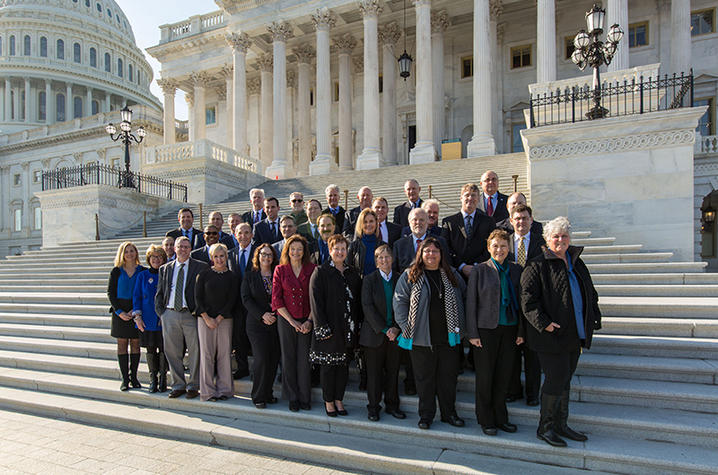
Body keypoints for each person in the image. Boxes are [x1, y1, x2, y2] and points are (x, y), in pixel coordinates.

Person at [521, 216, 602, 447]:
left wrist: (593, 315)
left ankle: (561, 425)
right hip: (550, 335)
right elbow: (527, 300)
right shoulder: (536, 264)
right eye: (555, 236)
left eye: (564, 236)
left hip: (575, 333)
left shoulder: (576, 262)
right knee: (556, 379)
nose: (560, 240)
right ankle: (545, 428)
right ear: (546, 239)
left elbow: (590, 292)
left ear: (569, 239)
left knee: (565, 380)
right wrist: (544, 323)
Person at [393, 237, 466, 430]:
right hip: (421, 338)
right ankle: (426, 416)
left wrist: (462, 327)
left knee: (448, 378)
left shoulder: (452, 275)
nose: (431, 255)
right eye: (427, 251)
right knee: (424, 379)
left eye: (435, 251)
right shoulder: (411, 274)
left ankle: (449, 414)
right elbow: (399, 302)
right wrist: (406, 326)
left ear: (441, 254)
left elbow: (464, 299)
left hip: (448, 337)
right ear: (421, 254)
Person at [466, 229, 524, 436]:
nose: (499, 249)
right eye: (495, 246)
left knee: (503, 376)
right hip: (485, 330)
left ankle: (502, 417)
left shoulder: (516, 270)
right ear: (489, 248)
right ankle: (486, 418)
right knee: (485, 376)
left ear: (509, 248)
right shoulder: (480, 270)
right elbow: (471, 302)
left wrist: (521, 330)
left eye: (503, 246)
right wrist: (472, 333)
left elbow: (523, 305)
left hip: (509, 328)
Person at [310, 234, 362, 417]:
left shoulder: (352, 272)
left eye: (343, 249)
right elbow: (316, 303)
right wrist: (322, 328)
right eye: (336, 248)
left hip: (348, 330)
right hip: (329, 330)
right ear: (330, 250)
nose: (340, 252)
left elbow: (357, 302)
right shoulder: (321, 271)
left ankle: (339, 399)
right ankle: (329, 402)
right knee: (329, 368)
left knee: (343, 367)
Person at [154, 236, 208, 399]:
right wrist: (161, 313)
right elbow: (160, 292)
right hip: (169, 313)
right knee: (172, 352)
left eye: (186, 246)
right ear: (174, 249)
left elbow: (204, 293)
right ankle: (178, 385)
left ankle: (193, 385)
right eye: (180, 246)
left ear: (190, 249)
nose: (183, 249)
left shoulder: (201, 267)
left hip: (190, 314)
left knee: (195, 351)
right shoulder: (165, 268)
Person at [360, 244, 406, 422]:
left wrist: (396, 327)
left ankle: (392, 405)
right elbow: (367, 306)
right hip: (375, 335)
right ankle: (373, 407)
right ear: (376, 261)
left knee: (393, 372)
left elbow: (404, 304)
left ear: (392, 259)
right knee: (374, 374)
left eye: (387, 257)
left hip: (395, 334)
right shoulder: (369, 279)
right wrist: (385, 329)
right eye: (380, 257)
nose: (384, 260)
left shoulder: (400, 278)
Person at [506, 204, 545, 406]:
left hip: (533, 304)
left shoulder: (541, 243)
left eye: (524, 218)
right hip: (511, 303)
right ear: (511, 221)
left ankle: (532, 393)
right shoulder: (504, 242)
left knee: (532, 354)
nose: (521, 222)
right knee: (512, 352)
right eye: (517, 218)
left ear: (531, 220)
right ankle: (513, 390)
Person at [272, 234, 316, 411]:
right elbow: (276, 300)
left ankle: (305, 397)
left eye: (299, 249)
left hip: (307, 320)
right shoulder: (280, 270)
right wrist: (291, 321)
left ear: (304, 251)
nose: (296, 252)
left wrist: (309, 321)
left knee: (304, 360)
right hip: (286, 321)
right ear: (287, 251)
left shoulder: (312, 269)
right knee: (288, 358)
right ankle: (293, 397)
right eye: (293, 249)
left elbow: (316, 299)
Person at [194, 243, 236, 402]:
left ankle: (225, 390)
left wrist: (218, 318)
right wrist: (207, 318)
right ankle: (208, 392)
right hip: (205, 320)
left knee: (224, 354)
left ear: (226, 256)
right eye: (216, 256)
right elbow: (198, 298)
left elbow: (231, 300)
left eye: (222, 256)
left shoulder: (232, 276)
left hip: (224, 320)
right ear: (212, 258)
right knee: (206, 355)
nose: (219, 259)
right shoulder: (203, 274)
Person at [241, 243, 281, 409]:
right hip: (256, 324)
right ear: (257, 256)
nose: (266, 257)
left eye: (269, 255)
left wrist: (275, 315)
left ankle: (268, 393)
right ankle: (258, 395)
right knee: (261, 359)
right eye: (263, 254)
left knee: (273, 360)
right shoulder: (250, 276)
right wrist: (262, 315)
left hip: (276, 322)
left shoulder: (278, 274)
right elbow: (246, 299)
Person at [107, 241, 146, 391]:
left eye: (132, 251)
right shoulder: (116, 271)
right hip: (120, 313)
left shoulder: (142, 270)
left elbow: (144, 292)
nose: (129, 254)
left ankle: (134, 377)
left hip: (136, 311)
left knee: (136, 344)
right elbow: (110, 293)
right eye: (126, 251)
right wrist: (119, 312)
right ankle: (125, 379)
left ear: (136, 253)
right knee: (122, 345)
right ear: (122, 254)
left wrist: (136, 311)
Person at [132, 245, 168, 393]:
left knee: (163, 350)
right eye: (153, 257)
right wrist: (137, 317)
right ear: (148, 259)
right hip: (147, 319)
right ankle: (153, 378)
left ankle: (163, 379)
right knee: (151, 349)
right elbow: (137, 296)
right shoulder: (143, 275)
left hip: (163, 319)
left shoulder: (167, 273)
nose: (156, 259)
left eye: (159, 257)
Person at [442, 183, 496, 280]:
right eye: (467, 195)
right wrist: (462, 266)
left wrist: (476, 265)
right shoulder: (449, 222)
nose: (470, 198)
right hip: (455, 274)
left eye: (474, 195)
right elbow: (445, 247)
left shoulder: (488, 221)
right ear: (461, 198)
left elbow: (491, 246)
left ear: (478, 199)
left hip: (481, 272)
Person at [227, 222, 255, 380]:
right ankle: (242, 367)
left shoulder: (258, 253)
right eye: (240, 233)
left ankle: (256, 369)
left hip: (254, 302)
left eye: (246, 232)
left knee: (255, 337)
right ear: (235, 235)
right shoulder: (230, 254)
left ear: (251, 235)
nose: (243, 236)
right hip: (236, 303)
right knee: (238, 337)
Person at [393, 208, 449, 275]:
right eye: (415, 220)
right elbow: (395, 271)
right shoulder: (399, 245)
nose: (418, 223)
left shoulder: (440, 242)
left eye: (421, 220)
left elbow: (447, 267)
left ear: (427, 221)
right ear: (409, 222)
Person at [348, 208, 385, 277]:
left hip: (378, 285)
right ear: (360, 224)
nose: (368, 224)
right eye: (365, 222)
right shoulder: (354, 246)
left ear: (376, 223)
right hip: (359, 285)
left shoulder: (383, 246)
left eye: (371, 221)